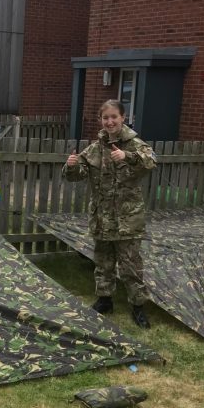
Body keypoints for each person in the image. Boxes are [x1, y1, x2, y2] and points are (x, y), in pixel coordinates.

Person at [63, 99, 156, 328]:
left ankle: (137, 306)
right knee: (103, 262)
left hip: (128, 217)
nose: (110, 121)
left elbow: (152, 160)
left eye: (114, 117)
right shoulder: (96, 148)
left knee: (130, 265)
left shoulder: (134, 143)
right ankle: (105, 300)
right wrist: (72, 165)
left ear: (123, 117)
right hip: (103, 216)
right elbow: (77, 175)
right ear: (100, 120)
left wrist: (127, 156)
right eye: (106, 118)